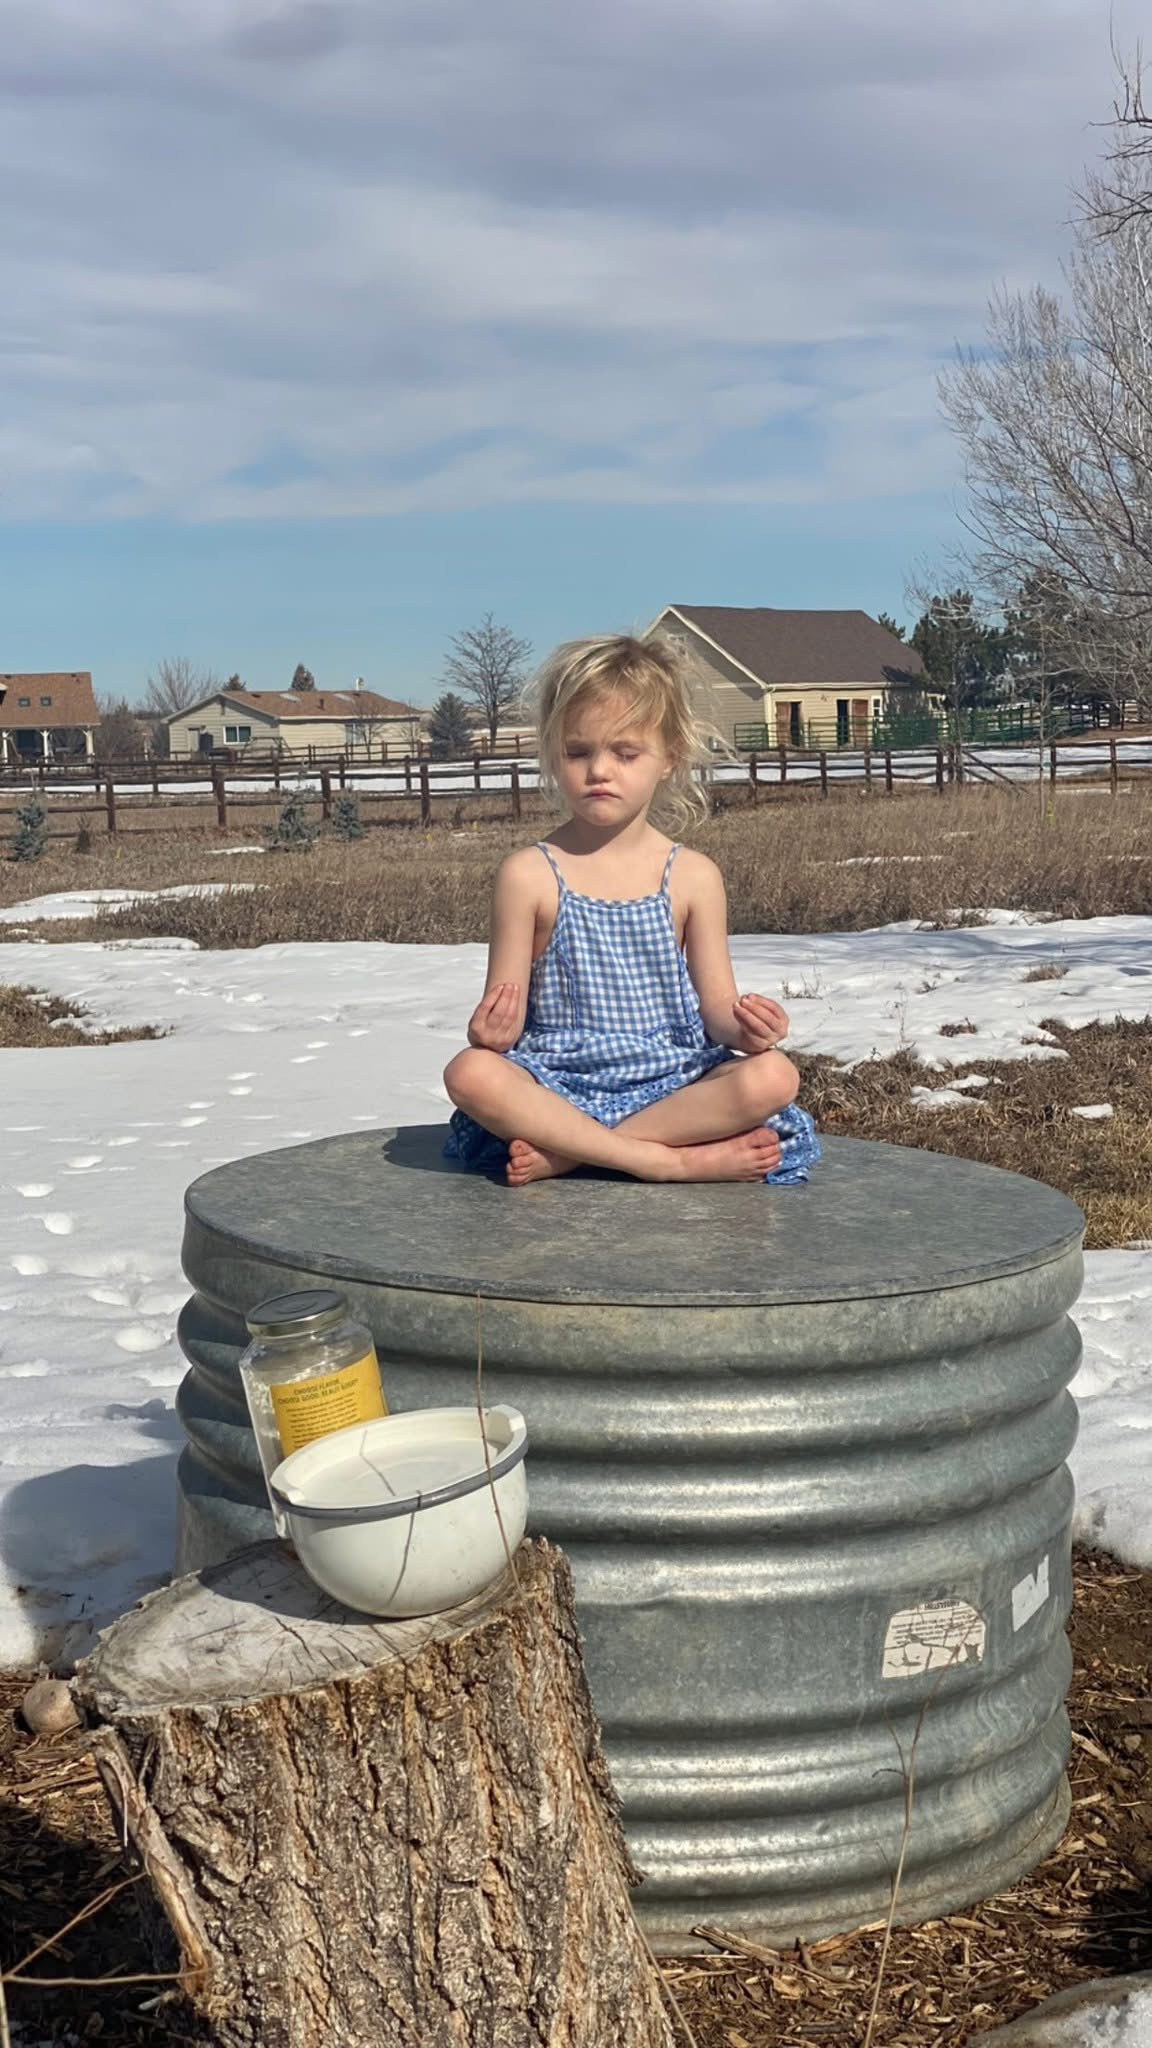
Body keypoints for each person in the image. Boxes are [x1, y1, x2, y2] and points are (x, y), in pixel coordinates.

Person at [443, 633, 821, 1187]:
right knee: (470, 1072)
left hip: (671, 1081)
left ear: (670, 757)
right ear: (553, 755)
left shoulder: (692, 875)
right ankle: (664, 1161)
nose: (600, 770)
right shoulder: (528, 874)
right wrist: (490, 1033)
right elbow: (505, 1021)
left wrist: (748, 1029)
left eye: (625, 753)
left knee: (774, 1076)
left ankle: (573, 1153)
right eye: (578, 752)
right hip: (559, 1082)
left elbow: (717, 1009)